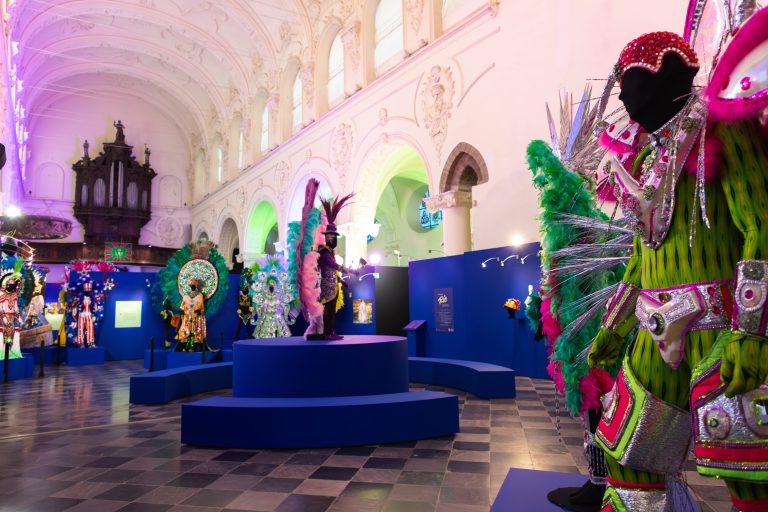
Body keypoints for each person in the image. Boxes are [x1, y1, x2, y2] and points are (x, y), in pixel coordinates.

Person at [587, 25, 768, 511]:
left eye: (629, 81)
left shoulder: (726, 127)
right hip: (652, 331)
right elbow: (638, 262)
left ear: (667, 74)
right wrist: (612, 327)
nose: (622, 96)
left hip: (720, 330)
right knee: (629, 456)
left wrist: (751, 334)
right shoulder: (645, 159)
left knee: (750, 471)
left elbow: (762, 228)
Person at [177, 277, 206, 351]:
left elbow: (201, 307)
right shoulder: (186, 296)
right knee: (188, 331)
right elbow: (183, 306)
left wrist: (198, 311)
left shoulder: (200, 295)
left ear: (196, 285)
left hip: (196, 317)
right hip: (187, 317)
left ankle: (193, 346)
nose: (192, 286)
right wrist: (182, 314)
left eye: (193, 284)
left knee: (194, 330)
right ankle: (188, 345)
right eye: (191, 284)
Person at [75, 282, 95, 348]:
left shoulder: (92, 299)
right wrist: (78, 312)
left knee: (90, 328)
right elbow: (77, 306)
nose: (87, 291)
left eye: (89, 289)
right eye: (86, 289)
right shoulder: (80, 298)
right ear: (84, 290)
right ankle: (81, 343)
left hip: (89, 314)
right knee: (80, 328)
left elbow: (94, 307)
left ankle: (90, 343)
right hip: (82, 315)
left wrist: (94, 315)